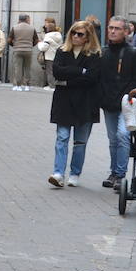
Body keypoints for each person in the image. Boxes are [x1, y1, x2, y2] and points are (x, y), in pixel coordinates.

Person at [48, 20, 102, 188]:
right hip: (63, 101)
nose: (75, 37)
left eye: (80, 34)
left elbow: (92, 78)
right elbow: (56, 71)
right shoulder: (62, 51)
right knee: (62, 138)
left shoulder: (94, 55)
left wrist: (67, 79)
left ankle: (75, 173)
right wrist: (80, 71)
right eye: (73, 33)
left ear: (88, 37)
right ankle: (58, 173)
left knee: (80, 142)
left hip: (85, 102)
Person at [100, 16, 136, 190]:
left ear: (126, 32)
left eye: (117, 28)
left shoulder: (134, 53)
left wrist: (127, 97)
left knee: (123, 136)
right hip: (108, 103)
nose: (112, 31)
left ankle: (120, 174)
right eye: (110, 27)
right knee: (113, 139)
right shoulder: (103, 52)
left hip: (126, 103)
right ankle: (113, 172)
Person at [10, 14, 39, 91]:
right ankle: (27, 85)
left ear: (19, 19)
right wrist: (31, 45)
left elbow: (9, 39)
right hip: (28, 50)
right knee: (27, 68)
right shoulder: (32, 28)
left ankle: (18, 85)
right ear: (26, 19)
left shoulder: (14, 27)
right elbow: (36, 39)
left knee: (17, 68)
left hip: (17, 50)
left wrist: (14, 45)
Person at [39, 17, 61, 90]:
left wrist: (39, 44)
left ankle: (51, 86)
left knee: (49, 71)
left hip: (49, 56)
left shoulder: (48, 36)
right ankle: (55, 85)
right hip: (57, 55)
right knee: (55, 71)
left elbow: (44, 47)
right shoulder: (59, 35)